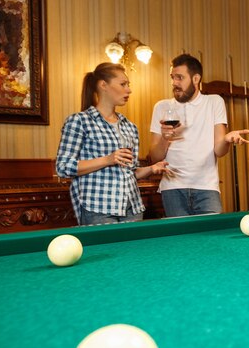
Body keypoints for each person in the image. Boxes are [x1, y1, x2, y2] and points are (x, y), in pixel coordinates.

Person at [56, 62, 171, 226]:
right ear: (103, 85)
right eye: (123, 84)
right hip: (98, 209)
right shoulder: (79, 121)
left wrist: (152, 168)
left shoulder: (130, 127)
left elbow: (130, 173)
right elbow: (63, 167)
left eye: (128, 85)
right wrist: (107, 159)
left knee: (133, 253)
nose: (129, 90)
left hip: (133, 208)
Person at [149, 54, 249, 217]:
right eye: (172, 78)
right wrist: (165, 139)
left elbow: (219, 151)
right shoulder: (161, 107)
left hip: (206, 187)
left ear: (196, 79)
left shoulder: (214, 102)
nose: (174, 83)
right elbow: (154, 157)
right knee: (181, 241)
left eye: (180, 78)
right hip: (172, 189)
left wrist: (226, 140)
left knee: (212, 239)